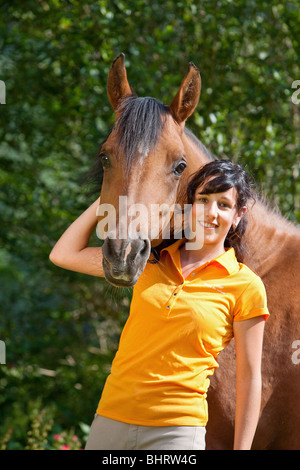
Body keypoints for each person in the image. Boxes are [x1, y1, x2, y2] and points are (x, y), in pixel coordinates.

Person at [49, 160, 269, 450]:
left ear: (238, 215)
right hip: (111, 417)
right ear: (189, 206)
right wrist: (109, 194)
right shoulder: (148, 260)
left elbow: (250, 377)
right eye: (203, 200)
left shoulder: (246, 286)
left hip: (177, 431)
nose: (211, 213)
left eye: (223, 205)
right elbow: (63, 254)